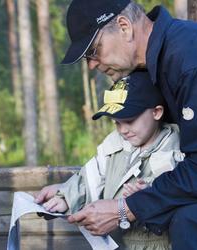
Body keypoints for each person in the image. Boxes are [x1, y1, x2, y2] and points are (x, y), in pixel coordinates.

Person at [45, 1, 197, 248]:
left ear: (124, 27)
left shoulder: (192, 60)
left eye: (94, 50)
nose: (91, 64)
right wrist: (69, 193)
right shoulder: (155, 62)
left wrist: (125, 209)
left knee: (193, 221)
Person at [36, 71, 179, 249]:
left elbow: (178, 191)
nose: (123, 130)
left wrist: (149, 192)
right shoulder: (114, 145)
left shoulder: (173, 149)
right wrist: (65, 196)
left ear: (156, 112)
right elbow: (90, 178)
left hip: (158, 243)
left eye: (129, 120)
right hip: (117, 242)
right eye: (117, 123)